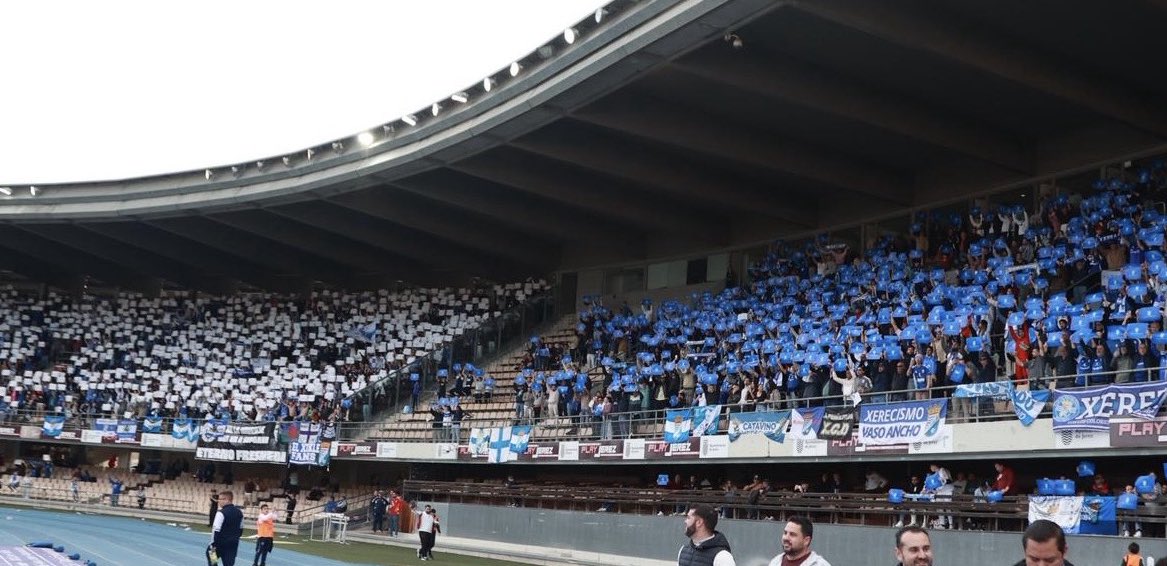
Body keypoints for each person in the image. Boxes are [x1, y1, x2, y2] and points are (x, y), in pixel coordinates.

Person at [209, 491, 244, 566]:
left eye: (220, 499)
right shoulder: (240, 513)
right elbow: (241, 530)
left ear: (227, 500)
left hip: (219, 544)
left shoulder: (220, 513)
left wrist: (213, 545)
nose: (218, 501)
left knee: (212, 559)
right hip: (232, 544)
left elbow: (215, 530)